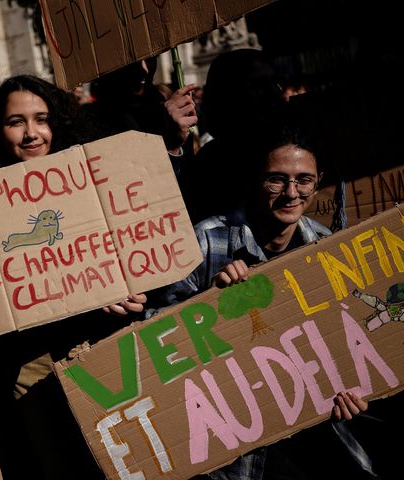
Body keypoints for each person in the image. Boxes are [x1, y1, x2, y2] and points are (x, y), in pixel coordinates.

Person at [147, 120, 374, 480]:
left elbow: (345, 339)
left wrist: (355, 388)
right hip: (232, 446)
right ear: (256, 180)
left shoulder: (325, 246)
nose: (291, 192)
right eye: (277, 179)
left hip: (310, 431)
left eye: (304, 180)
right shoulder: (204, 243)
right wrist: (211, 307)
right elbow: (151, 333)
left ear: (317, 184)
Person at [0, 74, 144, 478]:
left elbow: (144, 249)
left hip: (102, 346)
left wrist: (134, 293)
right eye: (15, 122)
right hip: (31, 364)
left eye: (41, 119)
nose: (31, 134)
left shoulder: (98, 175)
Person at [178, 48, 287, 223]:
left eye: (275, 83)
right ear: (227, 96)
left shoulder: (298, 153)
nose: (272, 93)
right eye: (257, 86)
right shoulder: (210, 165)